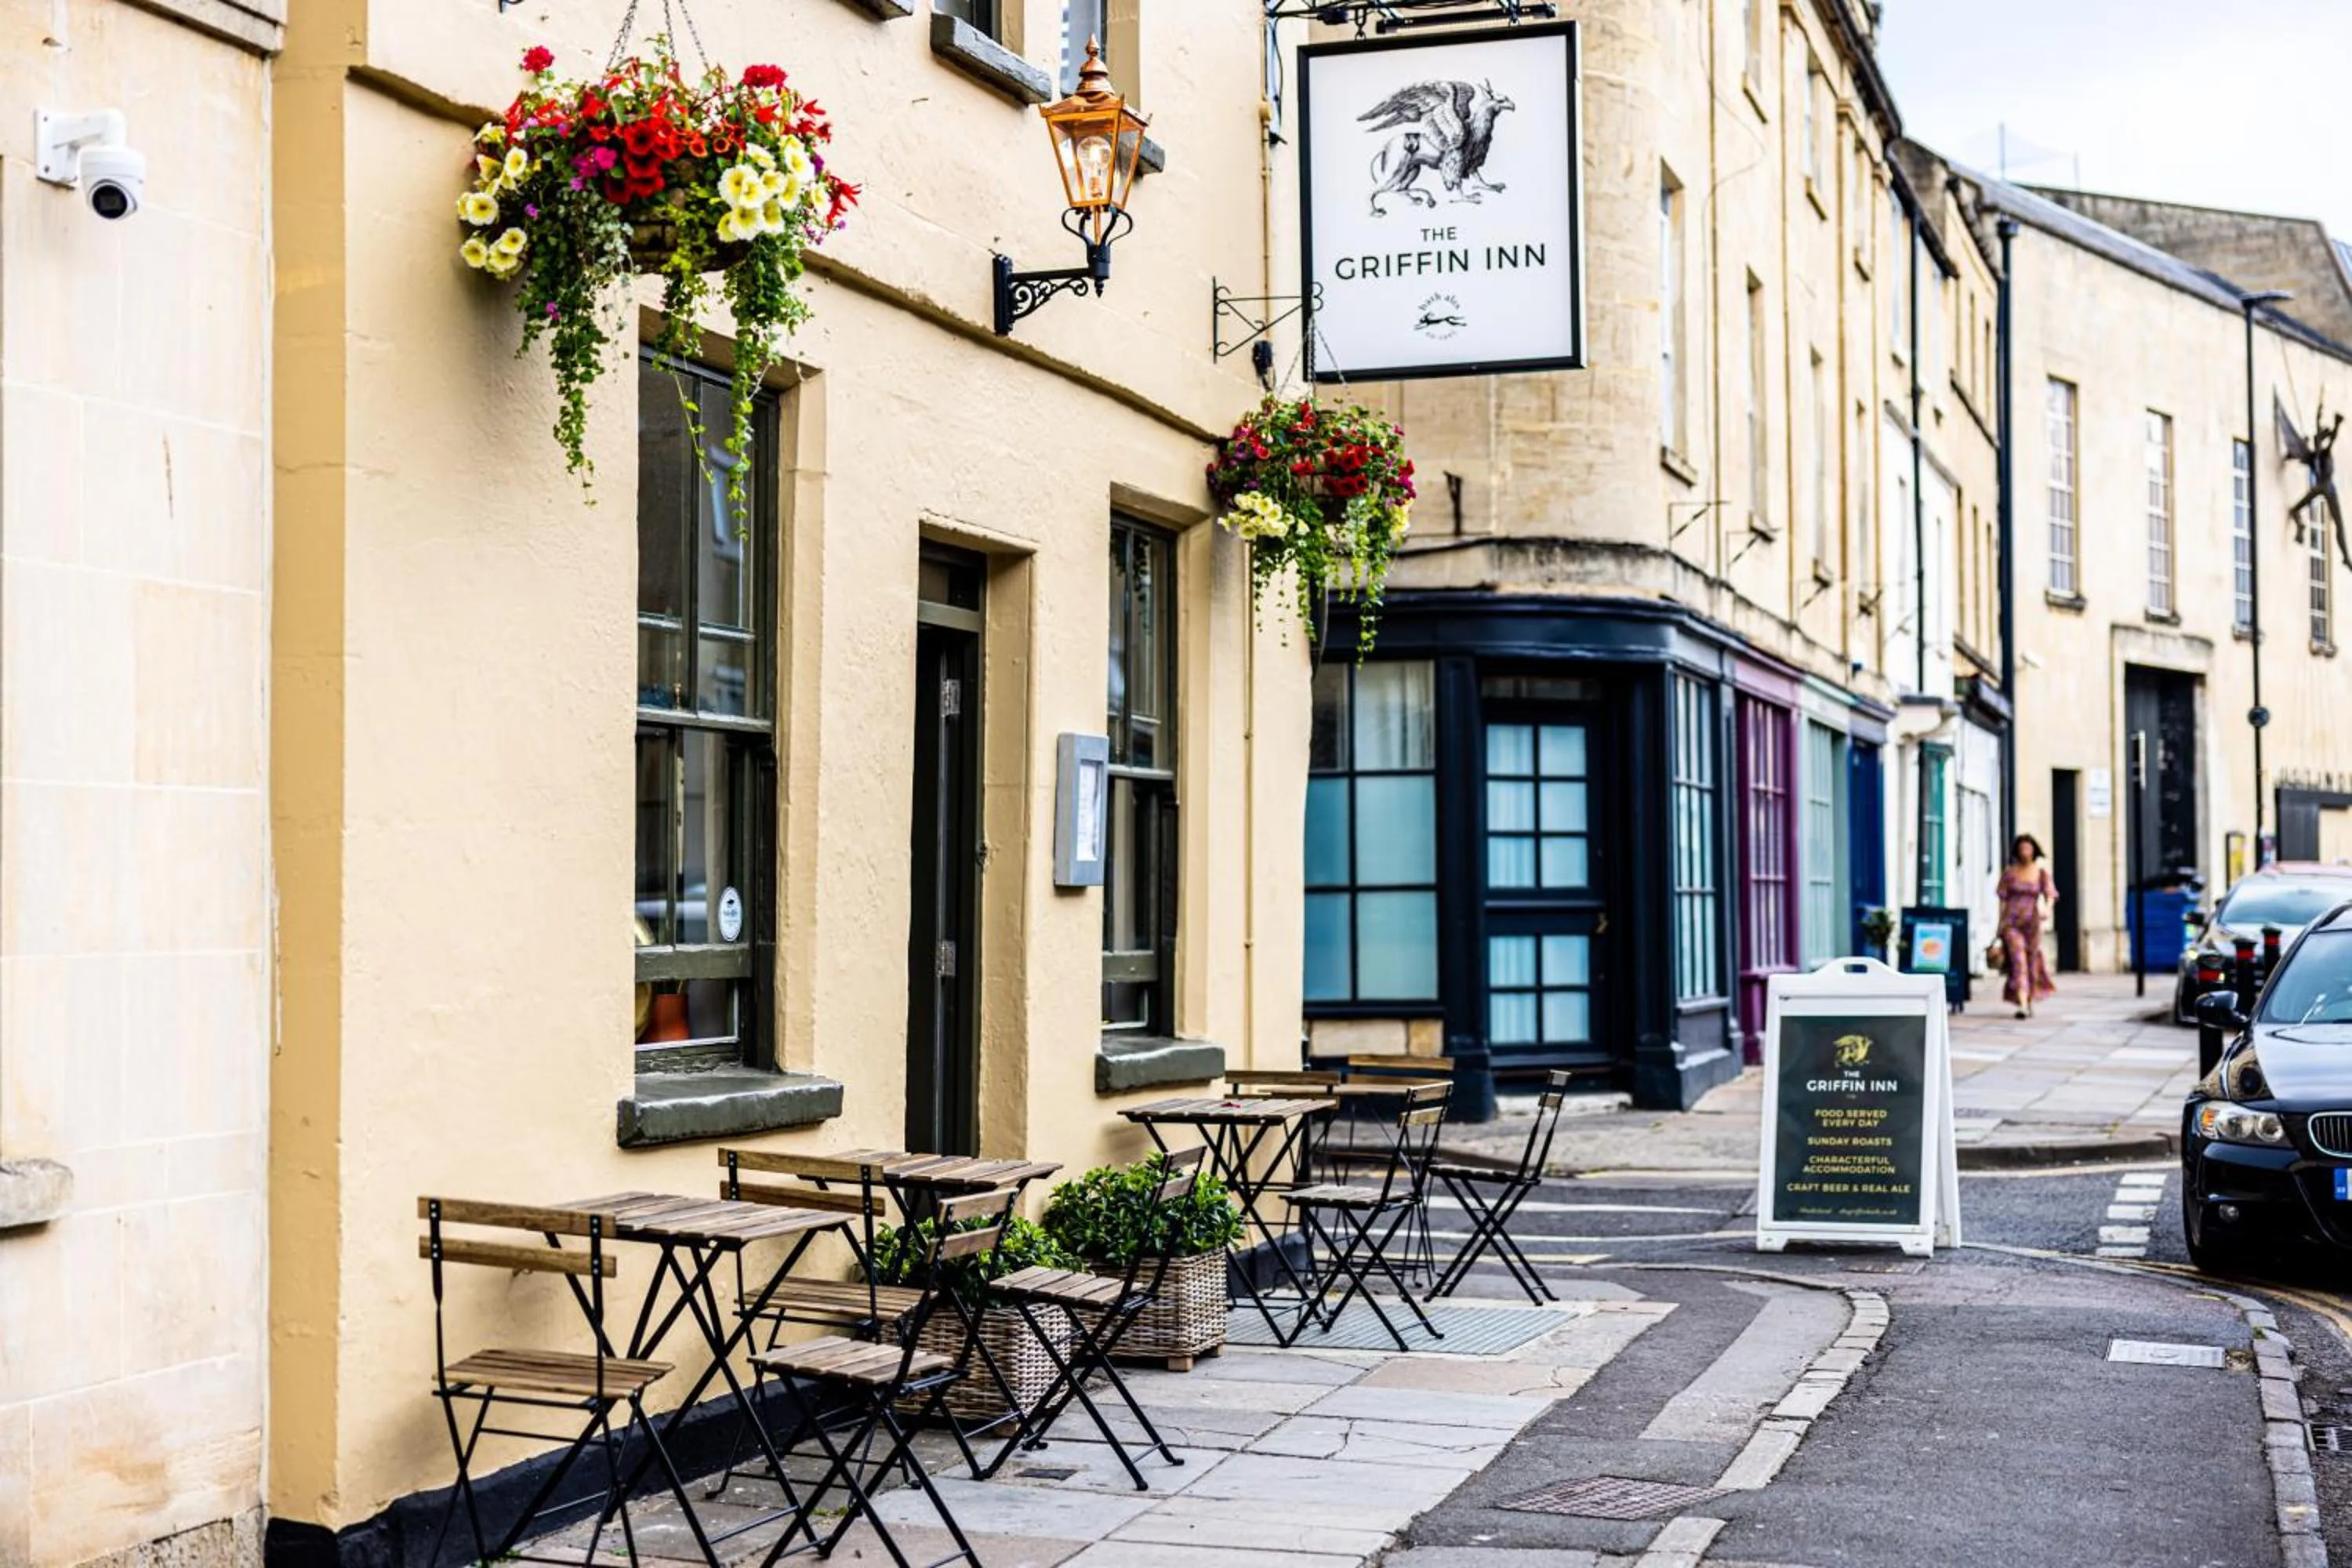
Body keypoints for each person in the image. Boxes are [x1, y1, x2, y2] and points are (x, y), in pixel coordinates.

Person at [1998, 834, 2059, 1018]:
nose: (2025, 852)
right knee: (2019, 961)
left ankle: (2029, 998)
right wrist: (2000, 924)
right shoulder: (2009, 873)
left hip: (2032, 924)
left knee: (2032, 962)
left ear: (2034, 851)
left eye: (2028, 848)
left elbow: (2051, 894)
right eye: (2022, 848)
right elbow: (2002, 900)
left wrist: (2047, 909)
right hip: (2012, 923)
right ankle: (2022, 1004)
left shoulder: (2041, 873)